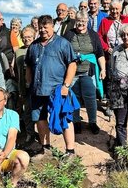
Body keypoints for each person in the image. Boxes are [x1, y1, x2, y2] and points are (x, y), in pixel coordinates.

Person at [25, 15, 78, 156]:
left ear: (52, 27)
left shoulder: (63, 43)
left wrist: (66, 86)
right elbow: (29, 66)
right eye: (40, 27)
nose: (42, 30)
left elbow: (72, 64)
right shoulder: (34, 46)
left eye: (46, 27)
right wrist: (29, 83)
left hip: (58, 90)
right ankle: (46, 149)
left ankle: (70, 151)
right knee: (40, 119)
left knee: (65, 118)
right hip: (37, 90)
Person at [64, 11, 106, 134]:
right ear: (75, 21)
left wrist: (103, 69)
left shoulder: (93, 35)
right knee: (74, 97)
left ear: (87, 22)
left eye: (83, 21)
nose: (80, 23)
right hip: (73, 72)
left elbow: (99, 53)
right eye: (78, 21)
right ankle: (76, 121)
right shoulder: (69, 35)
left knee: (90, 97)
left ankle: (92, 122)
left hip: (89, 71)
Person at [14, 26, 37, 143]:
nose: (26, 39)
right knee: (27, 112)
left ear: (34, 37)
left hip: (37, 87)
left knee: (38, 112)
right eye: (24, 37)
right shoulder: (18, 51)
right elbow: (16, 71)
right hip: (23, 87)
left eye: (29, 37)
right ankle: (30, 134)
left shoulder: (38, 48)